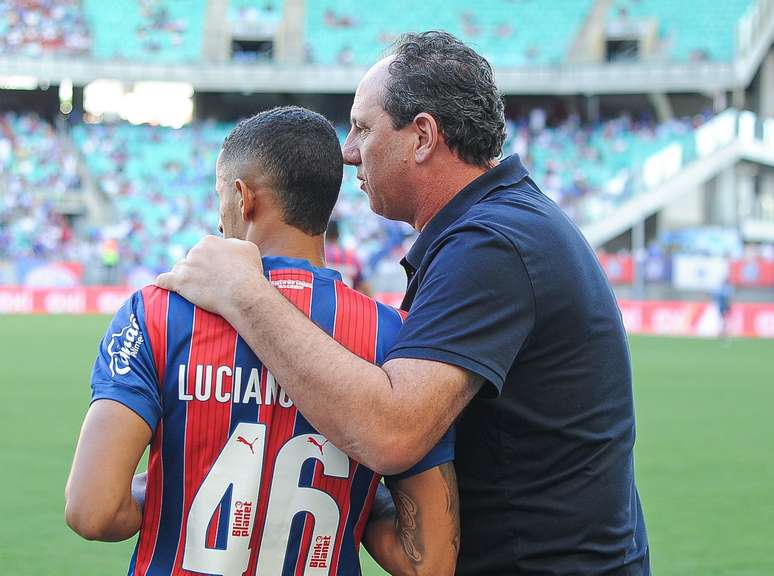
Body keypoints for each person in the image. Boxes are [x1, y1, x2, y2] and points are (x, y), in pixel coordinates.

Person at [157, 32, 650, 575]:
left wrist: (243, 291)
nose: (347, 152)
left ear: (422, 137)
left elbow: (391, 432)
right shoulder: (498, 227)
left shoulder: (492, 245)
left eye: (363, 129)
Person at [65, 106, 459, 576]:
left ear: (242, 197)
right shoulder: (394, 335)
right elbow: (429, 562)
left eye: (220, 198)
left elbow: (93, 511)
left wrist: (169, 488)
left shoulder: (157, 312)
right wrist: (352, 486)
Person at [324, 219, 370, 294]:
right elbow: (365, 286)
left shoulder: (318, 256)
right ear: (338, 234)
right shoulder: (351, 257)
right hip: (348, 302)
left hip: (322, 301)